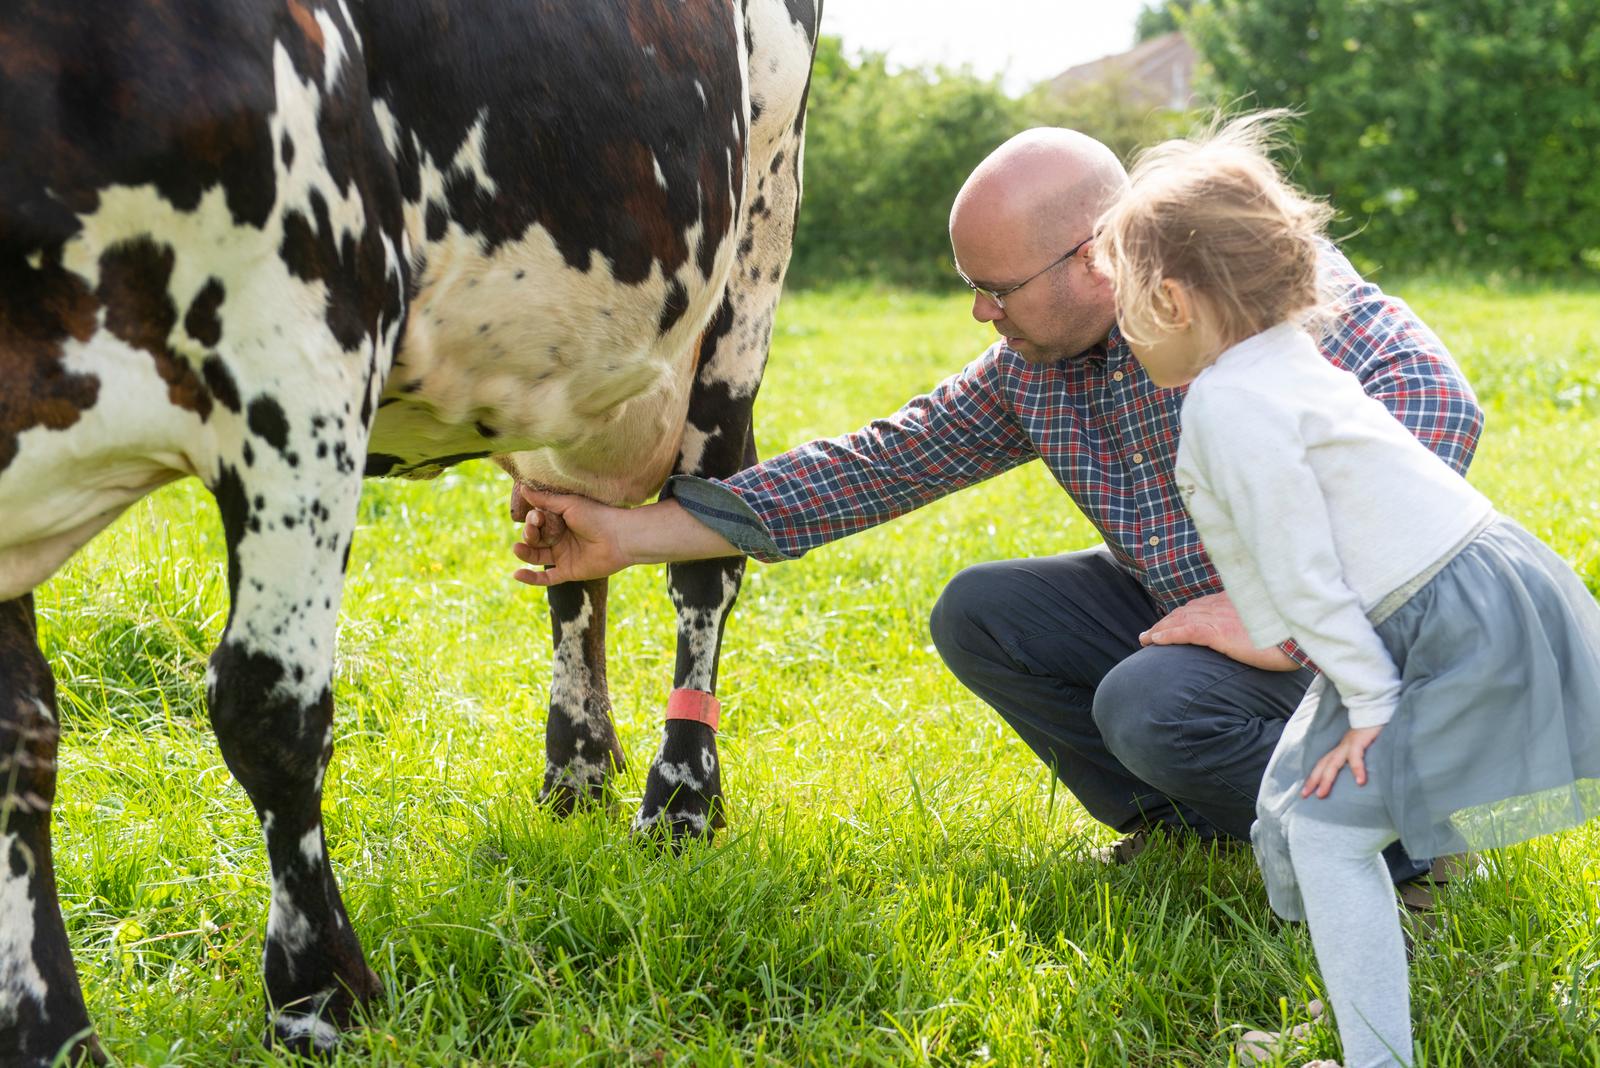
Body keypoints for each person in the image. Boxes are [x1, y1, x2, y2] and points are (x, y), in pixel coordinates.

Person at [510, 124, 1482, 894]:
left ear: (1094, 256)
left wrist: (1283, 612)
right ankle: (1194, 827)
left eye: (993, 290)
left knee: (1146, 707)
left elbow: (1438, 399)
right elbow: (874, 467)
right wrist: (629, 537)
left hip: (1365, 650)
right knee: (983, 612)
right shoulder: (1033, 372)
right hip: (1200, 617)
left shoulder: (1239, 284)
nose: (981, 313)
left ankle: (1403, 841)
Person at [1091, 114, 1600, 1067]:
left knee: (1326, 837)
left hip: (1447, 621)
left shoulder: (1228, 403)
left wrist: (1367, 707)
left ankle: (1377, 1056)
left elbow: (1309, 573)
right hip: (1478, 590)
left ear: (1170, 298)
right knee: (1301, 817)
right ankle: (1364, 1030)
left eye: (1123, 300)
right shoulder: (1283, 357)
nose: (1119, 326)